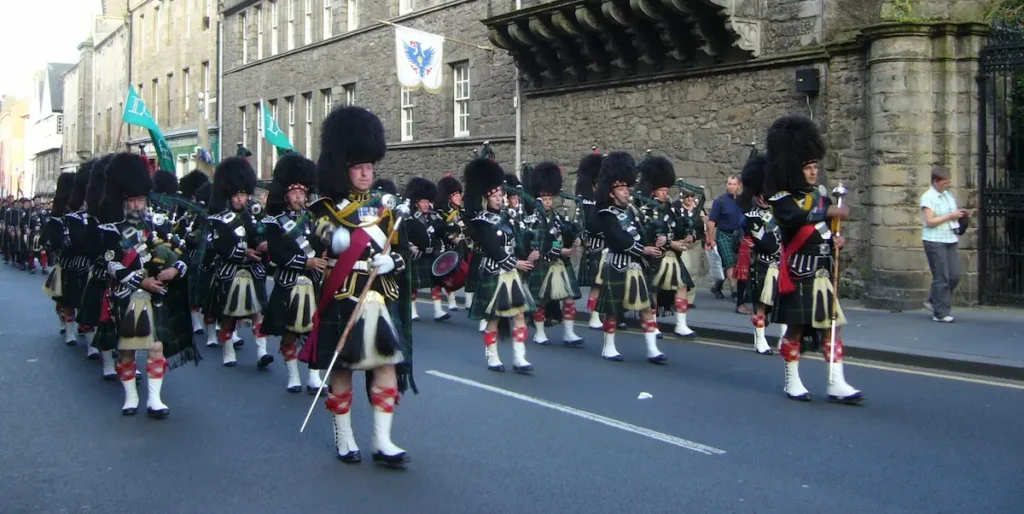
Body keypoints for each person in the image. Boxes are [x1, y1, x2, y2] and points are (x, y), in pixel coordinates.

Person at [300, 105, 415, 468]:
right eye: (359, 167)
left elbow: (403, 255)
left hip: (380, 296)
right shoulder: (326, 209)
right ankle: (344, 436)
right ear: (344, 168)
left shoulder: (387, 210)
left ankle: (382, 440)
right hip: (344, 296)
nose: (366, 173)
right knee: (343, 369)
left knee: (386, 367)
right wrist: (335, 239)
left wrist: (391, 261)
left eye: (370, 166)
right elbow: (317, 233)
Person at [764, 114, 861, 404]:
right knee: (797, 327)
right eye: (807, 167)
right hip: (799, 271)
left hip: (822, 271)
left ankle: (836, 382)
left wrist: (836, 241)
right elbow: (794, 219)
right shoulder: (782, 199)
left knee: (833, 325)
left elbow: (827, 233)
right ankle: (792, 380)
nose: (813, 172)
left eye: (815, 167)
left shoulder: (821, 196)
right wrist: (828, 214)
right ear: (795, 168)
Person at [98, 153, 200, 417]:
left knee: (156, 347)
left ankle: (154, 399)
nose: (136, 205)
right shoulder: (112, 230)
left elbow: (184, 252)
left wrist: (174, 269)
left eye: (140, 199)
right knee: (127, 351)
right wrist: (141, 280)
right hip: (128, 297)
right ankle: (131, 396)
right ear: (122, 201)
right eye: (131, 200)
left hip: (157, 297)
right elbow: (111, 264)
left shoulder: (159, 223)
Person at [464, 157, 537, 372]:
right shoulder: (482, 221)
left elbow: (518, 240)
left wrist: (530, 251)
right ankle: (492, 356)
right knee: (494, 317)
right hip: (494, 271)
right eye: (495, 196)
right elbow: (492, 248)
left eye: (500, 195)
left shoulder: (509, 218)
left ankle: (519, 358)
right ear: (486, 199)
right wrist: (516, 263)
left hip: (511, 273)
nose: (499, 199)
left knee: (519, 314)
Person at [262, 153, 327, 393]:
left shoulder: (315, 219)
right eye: (294, 192)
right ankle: (292, 375)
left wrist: (324, 257)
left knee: (315, 330)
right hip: (288, 282)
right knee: (290, 332)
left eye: (302, 192)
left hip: (314, 282)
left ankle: (313, 377)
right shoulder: (274, 222)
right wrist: (305, 263)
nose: (299, 196)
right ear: (285, 195)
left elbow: (323, 246)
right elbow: (277, 254)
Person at [593, 151, 667, 363]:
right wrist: (643, 250)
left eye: (627, 187)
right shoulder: (606, 214)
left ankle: (652, 349)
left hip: (637, 266)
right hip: (617, 264)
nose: (627, 192)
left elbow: (643, 231)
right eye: (622, 188)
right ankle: (608, 347)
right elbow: (618, 238)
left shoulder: (633, 211)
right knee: (613, 309)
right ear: (611, 192)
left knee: (646, 306)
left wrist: (657, 239)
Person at [206, 157, 269, 367]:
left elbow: (258, 237)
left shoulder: (253, 216)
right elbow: (219, 247)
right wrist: (243, 254)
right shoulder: (218, 219)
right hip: (229, 270)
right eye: (237, 195)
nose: (241, 199)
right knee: (228, 315)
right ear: (229, 195)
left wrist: (263, 245)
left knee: (257, 312)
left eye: (243, 194)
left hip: (253, 270)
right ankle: (228, 350)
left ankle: (262, 352)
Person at [523, 161, 584, 346]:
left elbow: (564, 234)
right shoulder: (533, 220)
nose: (549, 202)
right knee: (542, 300)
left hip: (560, 264)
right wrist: (560, 250)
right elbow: (537, 244)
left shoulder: (557, 218)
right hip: (544, 263)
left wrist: (575, 239)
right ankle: (539, 332)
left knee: (569, 299)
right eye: (545, 199)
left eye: (550, 199)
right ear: (538, 200)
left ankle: (569, 333)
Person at [636, 155, 697, 338]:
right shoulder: (647, 209)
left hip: (673, 256)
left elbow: (680, 226)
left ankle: (681, 324)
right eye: (661, 190)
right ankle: (652, 324)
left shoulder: (672, 208)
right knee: (654, 288)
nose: (665, 193)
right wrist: (672, 243)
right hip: (656, 256)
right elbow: (650, 234)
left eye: (666, 189)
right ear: (654, 191)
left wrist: (690, 234)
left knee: (682, 286)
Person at [738, 150, 780, 355]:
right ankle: (760, 338)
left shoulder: (780, 212)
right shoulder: (752, 216)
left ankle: (784, 337)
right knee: (762, 303)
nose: (765, 198)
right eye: (762, 195)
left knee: (783, 302)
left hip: (782, 264)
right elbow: (765, 242)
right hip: (764, 263)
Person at [920, 167, 968, 323]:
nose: (947, 185)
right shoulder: (928, 197)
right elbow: (930, 221)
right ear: (936, 181)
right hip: (934, 240)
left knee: (954, 275)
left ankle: (934, 300)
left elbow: (951, 213)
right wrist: (950, 216)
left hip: (950, 238)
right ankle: (940, 313)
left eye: (949, 182)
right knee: (941, 277)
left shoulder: (947, 195)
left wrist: (959, 215)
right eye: (945, 182)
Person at [404, 177, 449, 322]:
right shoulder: (409, 218)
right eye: (423, 202)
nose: (426, 204)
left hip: (432, 255)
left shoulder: (435, 217)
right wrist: (410, 245)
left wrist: (451, 237)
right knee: (414, 285)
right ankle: (413, 310)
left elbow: (442, 232)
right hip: (418, 256)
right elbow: (403, 235)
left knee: (436, 282)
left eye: (427, 201)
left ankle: (438, 310)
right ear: (416, 203)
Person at [573, 148, 606, 329]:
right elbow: (589, 224)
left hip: (611, 248)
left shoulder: (607, 201)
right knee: (597, 284)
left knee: (609, 285)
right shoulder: (587, 202)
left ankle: (610, 314)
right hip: (595, 246)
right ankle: (594, 315)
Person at [706, 175, 745, 303]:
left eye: (734, 184)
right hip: (724, 234)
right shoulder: (720, 201)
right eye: (729, 184)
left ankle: (716, 286)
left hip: (739, 234)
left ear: (739, 186)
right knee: (729, 262)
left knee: (735, 263)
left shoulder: (743, 200)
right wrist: (710, 239)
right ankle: (735, 292)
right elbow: (711, 222)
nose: (731, 186)